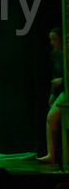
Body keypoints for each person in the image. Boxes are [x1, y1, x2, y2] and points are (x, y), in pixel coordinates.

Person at [38, 26, 66, 163]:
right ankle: (52, 154)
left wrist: (63, 80)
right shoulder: (55, 55)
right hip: (65, 91)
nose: (52, 43)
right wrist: (52, 94)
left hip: (66, 87)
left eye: (55, 39)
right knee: (52, 117)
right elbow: (55, 74)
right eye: (51, 39)